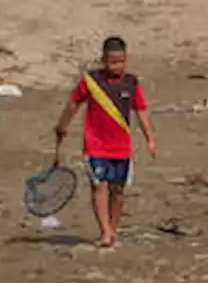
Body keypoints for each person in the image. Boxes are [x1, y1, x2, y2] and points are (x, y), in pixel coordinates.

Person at [53, 36, 157, 248]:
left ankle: (113, 227)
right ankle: (106, 231)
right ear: (103, 60)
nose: (117, 66)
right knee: (98, 186)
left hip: (121, 148)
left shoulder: (131, 83)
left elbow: (141, 110)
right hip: (95, 146)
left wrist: (150, 138)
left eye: (121, 61)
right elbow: (73, 103)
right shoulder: (91, 82)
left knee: (118, 191)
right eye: (113, 62)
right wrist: (62, 126)